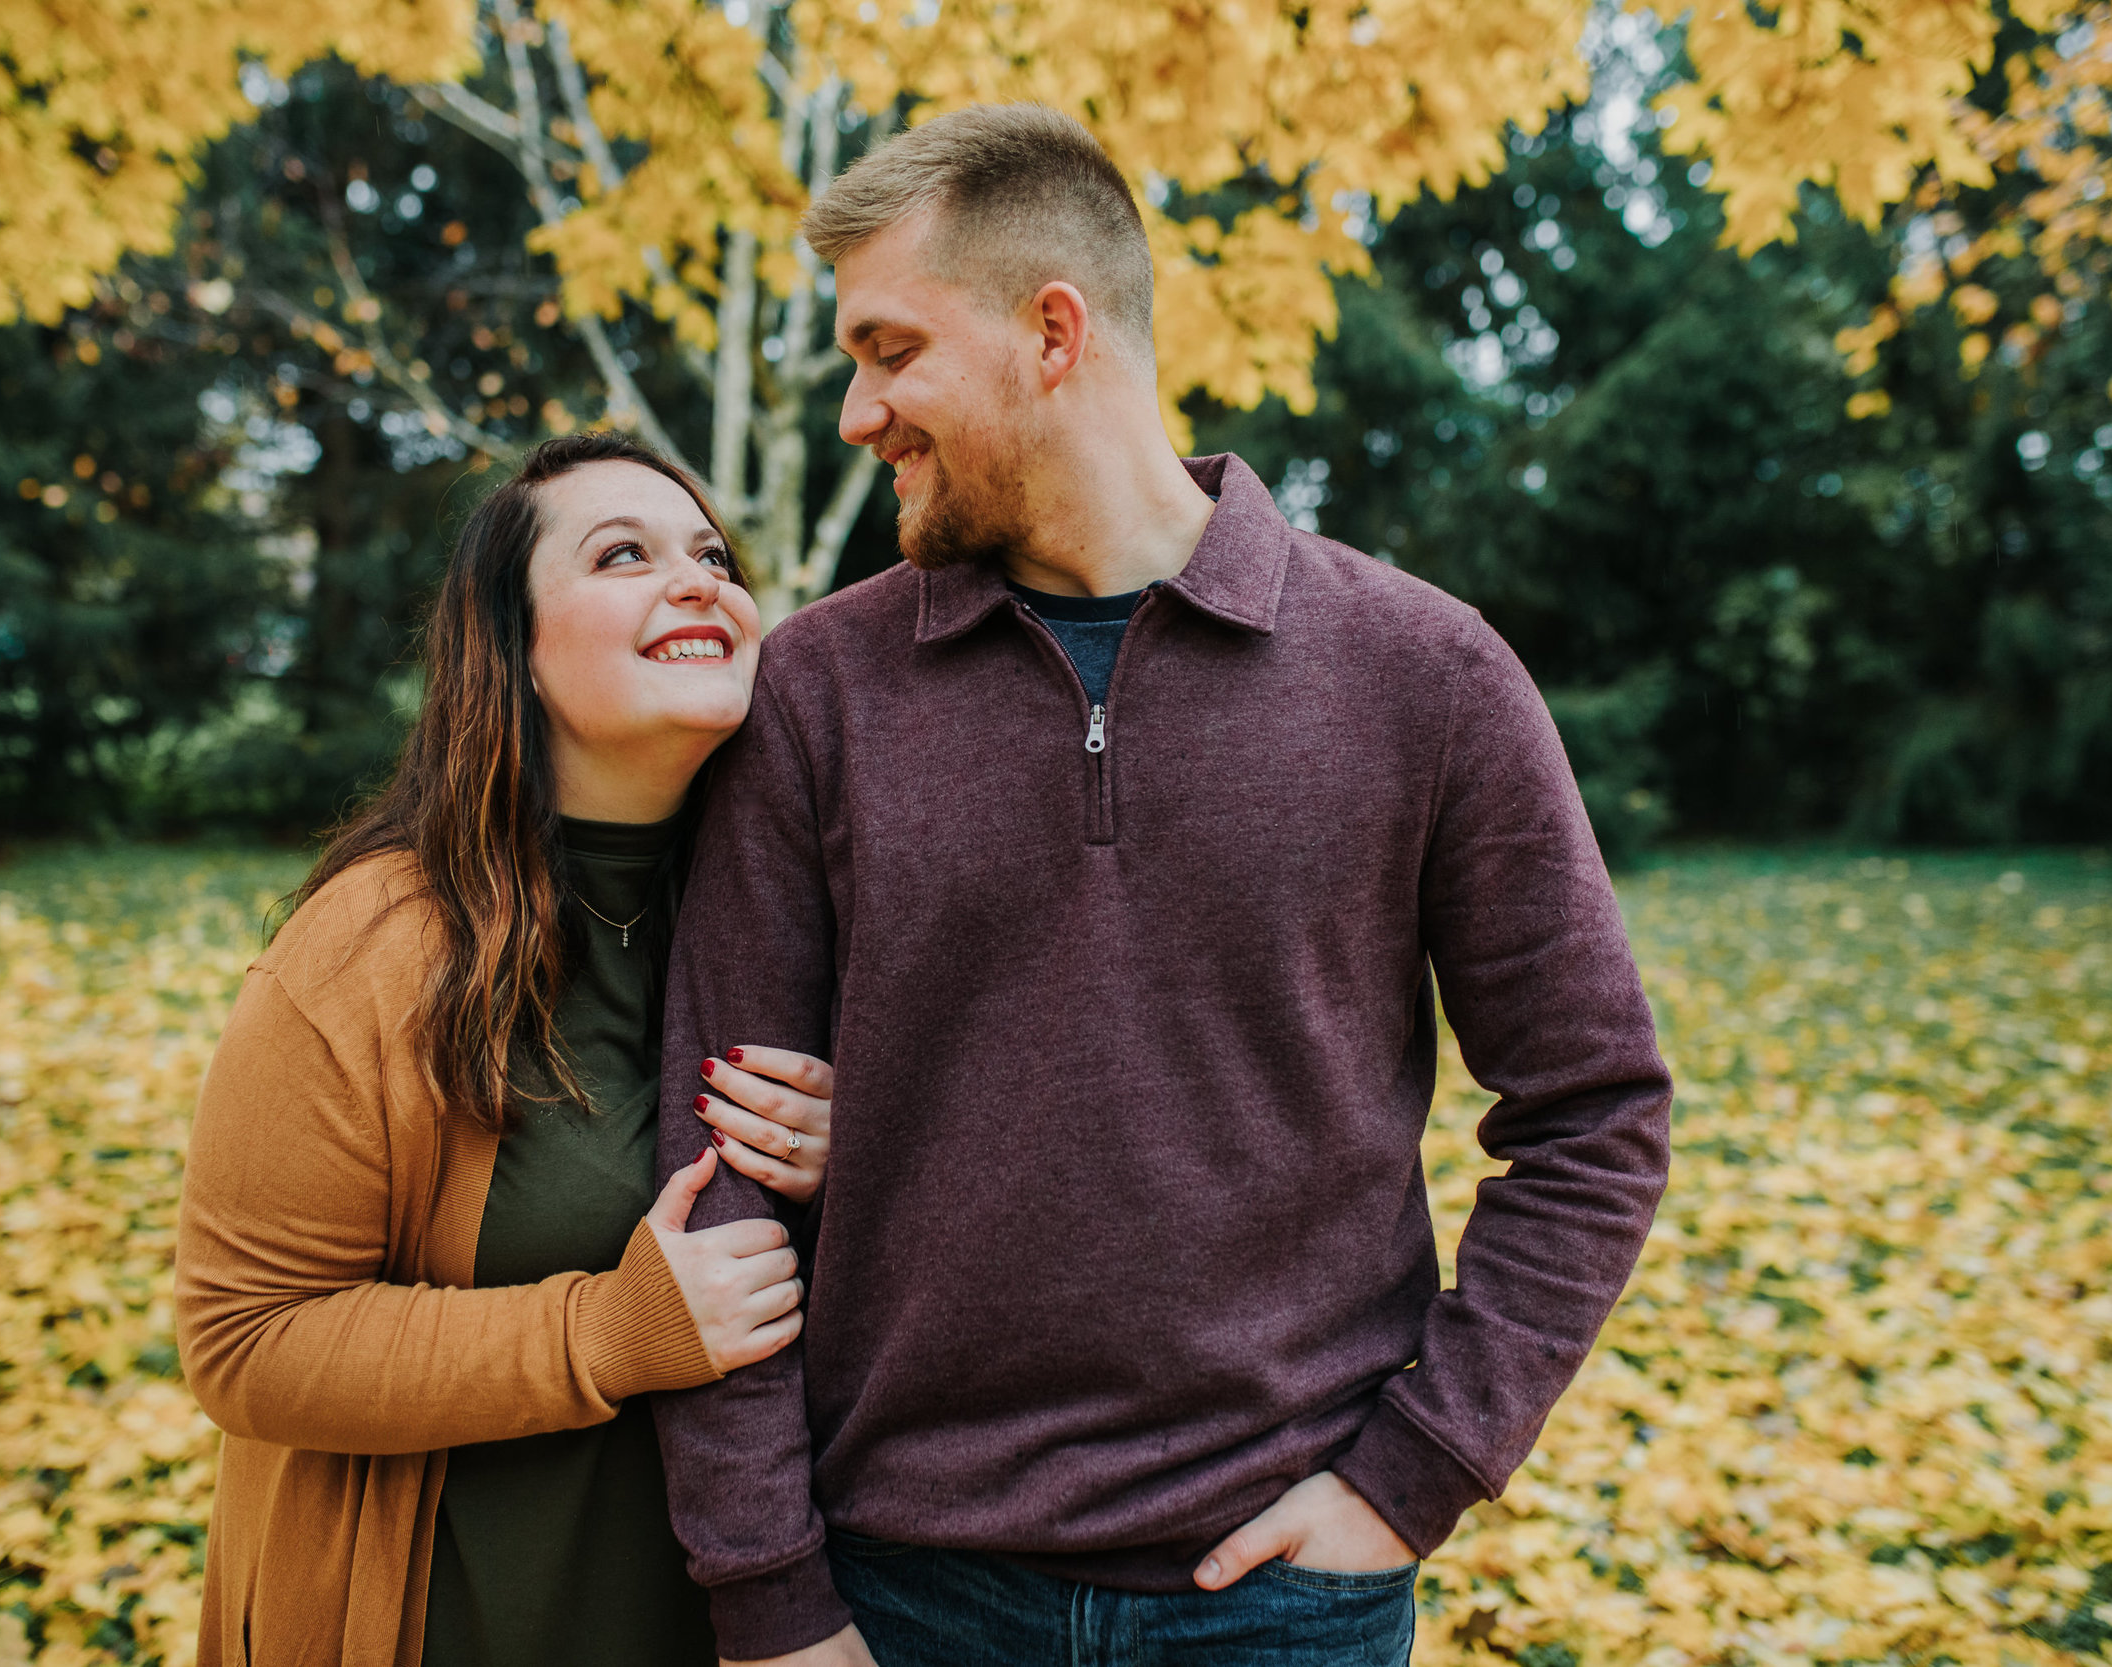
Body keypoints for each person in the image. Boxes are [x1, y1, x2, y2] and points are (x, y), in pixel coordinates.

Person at [649, 104, 1675, 1667]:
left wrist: (1416, 1476)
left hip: (1277, 1595)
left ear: (1053, 331)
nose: (859, 412)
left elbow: (1596, 1108)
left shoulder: (1425, 672)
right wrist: (769, 1594)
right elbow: (713, 1172)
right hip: (900, 1590)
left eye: (891, 350)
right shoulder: (814, 694)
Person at [175, 433, 841, 1667]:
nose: (697, 578)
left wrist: (857, 1157)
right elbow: (244, 1338)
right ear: (514, 653)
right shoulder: (378, 944)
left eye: (710, 552)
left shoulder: (799, 919)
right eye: (622, 554)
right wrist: (604, 1332)